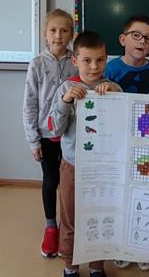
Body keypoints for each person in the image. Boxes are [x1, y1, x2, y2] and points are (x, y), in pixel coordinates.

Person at [51, 31, 122, 277]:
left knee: (99, 217)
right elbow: (55, 129)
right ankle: (70, 267)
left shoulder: (113, 88)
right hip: (73, 165)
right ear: (75, 60)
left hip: (103, 167)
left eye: (100, 60)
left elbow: (122, 128)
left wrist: (115, 97)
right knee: (70, 218)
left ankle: (96, 267)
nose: (94, 66)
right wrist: (66, 101)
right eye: (87, 60)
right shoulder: (66, 88)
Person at [105, 14, 149, 272]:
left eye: (148, 38)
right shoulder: (110, 69)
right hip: (116, 143)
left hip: (145, 143)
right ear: (123, 39)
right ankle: (120, 245)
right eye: (136, 35)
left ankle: (142, 245)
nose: (142, 41)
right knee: (119, 194)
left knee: (143, 194)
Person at [22, 9, 77, 258]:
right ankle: (51, 227)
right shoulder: (37, 64)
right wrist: (33, 140)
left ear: (71, 34)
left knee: (69, 182)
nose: (58, 35)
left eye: (64, 30)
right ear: (45, 33)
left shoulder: (77, 61)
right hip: (46, 135)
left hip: (71, 135)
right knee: (51, 180)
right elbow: (30, 104)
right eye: (53, 30)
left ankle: (69, 226)